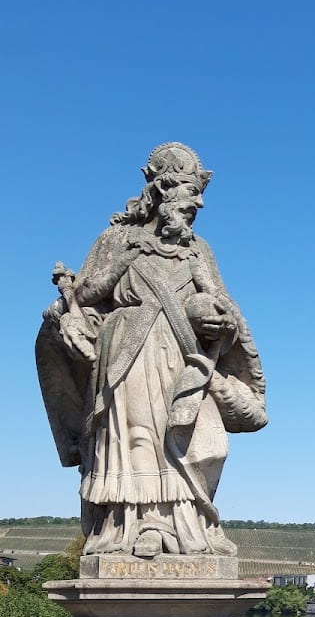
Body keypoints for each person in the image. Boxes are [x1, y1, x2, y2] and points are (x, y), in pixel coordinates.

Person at [36, 144, 267, 557]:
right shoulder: (116, 239)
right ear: (161, 191)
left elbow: (224, 305)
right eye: (189, 193)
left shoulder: (198, 250)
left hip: (184, 356)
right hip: (128, 353)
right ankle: (136, 527)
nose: (197, 204)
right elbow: (84, 296)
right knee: (137, 438)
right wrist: (125, 258)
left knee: (205, 443)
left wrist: (222, 323)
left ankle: (190, 525)